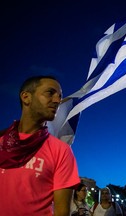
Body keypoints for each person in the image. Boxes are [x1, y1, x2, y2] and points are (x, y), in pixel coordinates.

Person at [0, 75, 80, 215]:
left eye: (60, 96)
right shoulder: (1, 141)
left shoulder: (61, 151)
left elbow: (62, 212)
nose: (57, 101)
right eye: (50, 93)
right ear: (26, 97)